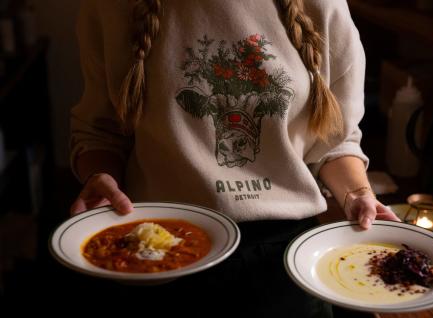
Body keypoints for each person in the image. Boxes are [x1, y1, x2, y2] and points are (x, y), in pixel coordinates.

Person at [65, 0, 399, 316]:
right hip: (158, 255)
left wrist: (357, 193)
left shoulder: (322, 6)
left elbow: (335, 141)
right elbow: (99, 132)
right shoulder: (111, 7)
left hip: (285, 265)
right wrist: (99, 176)